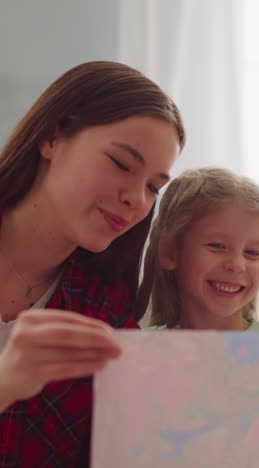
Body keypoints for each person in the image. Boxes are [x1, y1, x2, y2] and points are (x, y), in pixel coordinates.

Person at [0, 61, 185, 466]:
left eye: (154, 187)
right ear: (52, 138)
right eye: (121, 164)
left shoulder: (107, 314)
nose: (137, 199)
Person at [137, 167, 259, 331]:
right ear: (170, 253)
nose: (237, 265)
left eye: (253, 253)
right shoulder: (136, 349)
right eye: (217, 246)